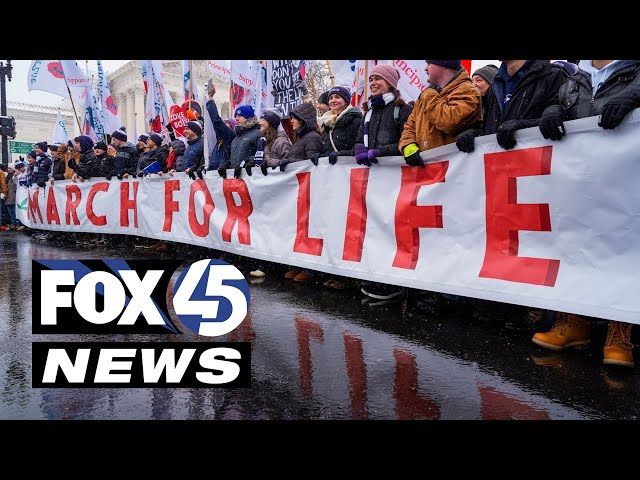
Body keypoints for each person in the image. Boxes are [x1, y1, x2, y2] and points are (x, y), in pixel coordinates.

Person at [533, 59, 640, 368]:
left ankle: (619, 331)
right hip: (581, 180)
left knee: (622, 248)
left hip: (625, 179)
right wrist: (551, 111)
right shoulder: (577, 78)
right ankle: (574, 321)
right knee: (575, 244)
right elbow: (560, 103)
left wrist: (632, 96)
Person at [314, 85, 362, 165]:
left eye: (337, 97)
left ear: (346, 101)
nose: (333, 100)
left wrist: (341, 155)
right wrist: (321, 157)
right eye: (331, 98)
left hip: (351, 171)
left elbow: (360, 148)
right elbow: (329, 150)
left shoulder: (356, 120)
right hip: (334, 173)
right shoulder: (327, 124)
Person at [217, 105, 261, 179]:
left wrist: (249, 162)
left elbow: (262, 154)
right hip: (238, 180)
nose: (236, 118)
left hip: (252, 178)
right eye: (236, 116)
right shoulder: (235, 139)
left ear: (249, 117)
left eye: (240, 116)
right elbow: (234, 158)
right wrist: (227, 164)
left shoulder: (258, 133)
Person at [206, 83, 236, 171]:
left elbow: (216, 121)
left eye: (226, 124)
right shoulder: (219, 143)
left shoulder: (230, 137)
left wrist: (210, 99)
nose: (223, 125)